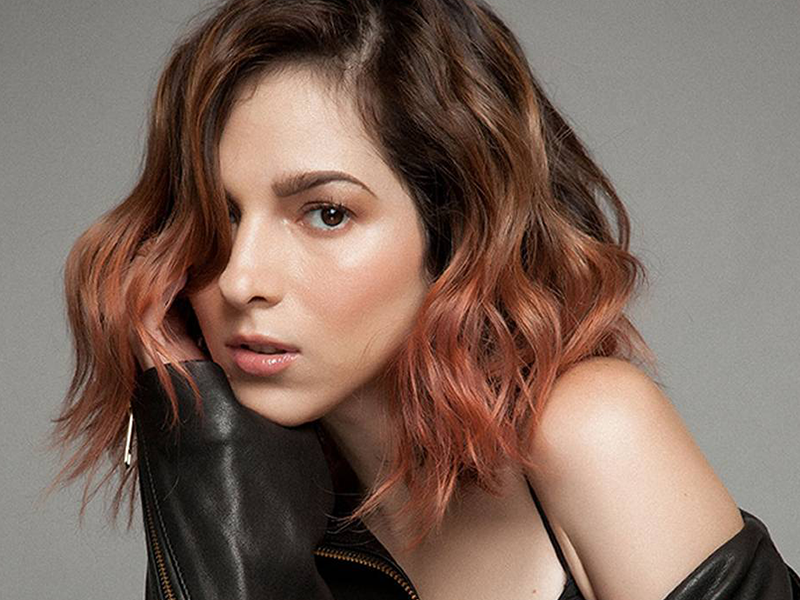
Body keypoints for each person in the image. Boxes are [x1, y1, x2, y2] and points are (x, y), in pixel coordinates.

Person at [47, 0, 799, 598]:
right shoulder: (275, 504)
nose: (242, 280)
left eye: (327, 214)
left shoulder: (593, 430)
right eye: (219, 218)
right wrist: (202, 443)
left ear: (452, 230)